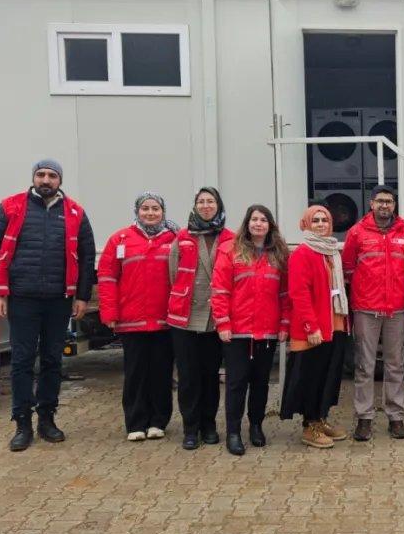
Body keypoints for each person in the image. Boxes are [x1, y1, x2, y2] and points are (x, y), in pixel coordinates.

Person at [0, 159, 97, 452]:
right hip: (23, 298)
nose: (46, 179)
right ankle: (22, 423)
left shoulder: (75, 212)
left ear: (60, 180)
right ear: (33, 177)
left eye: (52, 175)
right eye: (41, 174)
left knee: (52, 361)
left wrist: (82, 296)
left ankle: (47, 418)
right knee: (21, 362)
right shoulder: (10, 207)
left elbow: (86, 258)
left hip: (59, 299)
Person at [98, 192, 178, 442]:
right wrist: (110, 312)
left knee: (162, 374)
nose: (150, 213)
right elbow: (107, 277)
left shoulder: (174, 239)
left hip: (166, 321)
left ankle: (158, 422)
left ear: (163, 212)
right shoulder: (120, 239)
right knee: (135, 374)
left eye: (155, 208)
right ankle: (135, 423)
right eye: (145, 208)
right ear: (137, 211)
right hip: (132, 321)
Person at [211, 204, 291, 456]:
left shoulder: (279, 254)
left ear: (270, 225)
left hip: (267, 333)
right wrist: (223, 323)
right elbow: (220, 291)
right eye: (254, 219)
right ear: (247, 224)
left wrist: (284, 324)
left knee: (260, 383)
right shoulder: (230, 251)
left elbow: (285, 294)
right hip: (237, 332)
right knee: (236, 383)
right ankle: (233, 431)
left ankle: (256, 425)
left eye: (263, 220)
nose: (258, 224)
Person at [341, 185, 404, 441]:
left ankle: (395, 417)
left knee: (396, 365)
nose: (385, 205)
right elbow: (348, 269)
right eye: (380, 201)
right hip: (365, 309)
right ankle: (364, 418)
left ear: (394, 205)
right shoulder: (356, 233)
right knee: (364, 365)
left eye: (390, 201)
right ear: (371, 203)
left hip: (397, 309)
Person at [169, 187, 235, 450]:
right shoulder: (182, 237)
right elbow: (173, 274)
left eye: (211, 202)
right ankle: (190, 428)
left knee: (210, 375)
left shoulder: (231, 238)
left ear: (218, 206)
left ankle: (209, 425)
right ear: (195, 206)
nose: (206, 206)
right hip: (185, 317)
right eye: (201, 202)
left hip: (215, 317)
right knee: (188, 376)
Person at [281, 205, 351, 449]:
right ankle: (309, 426)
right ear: (307, 224)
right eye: (316, 221)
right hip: (314, 329)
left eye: (325, 220)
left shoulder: (332, 252)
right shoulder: (302, 254)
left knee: (327, 376)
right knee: (310, 377)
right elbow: (299, 294)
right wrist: (311, 326)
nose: (321, 224)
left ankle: (321, 419)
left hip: (335, 325)